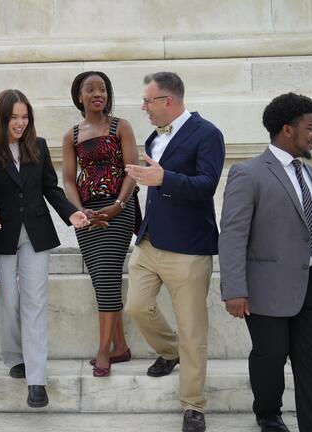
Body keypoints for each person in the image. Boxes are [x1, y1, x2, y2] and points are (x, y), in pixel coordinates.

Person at [219, 92, 312, 432]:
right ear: (287, 129)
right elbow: (232, 235)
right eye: (310, 127)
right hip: (265, 291)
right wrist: (234, 290)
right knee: (269, 359)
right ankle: (268, 414)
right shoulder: (248, 173)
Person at [124, 71, 224, 432]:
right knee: (136, 305)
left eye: (148, 101)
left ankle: (193, 405)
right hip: (150, 242)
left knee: (193, 329)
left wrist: (164, 178)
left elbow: (207, 185)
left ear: (168, 101)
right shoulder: (155, 138)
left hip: (189, 248)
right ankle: (170, 351)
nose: (143, 107)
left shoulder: (208, 134)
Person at [0, 89, 89, 407]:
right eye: (14, 117)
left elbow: (50, 188)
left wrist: (72, 212)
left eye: (25, 117)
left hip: (36, 234)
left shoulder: (38, 146)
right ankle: (15, 356)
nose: (20, 123)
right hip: (2, 235)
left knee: (35, 302)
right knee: (8, 301)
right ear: (2, 117)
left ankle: (36, 380)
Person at [62, 71, 140, 377]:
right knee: (102, 280)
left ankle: (103, 351)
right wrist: (80, 211)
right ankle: (120, 345)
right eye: (91, 89)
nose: (98, 94)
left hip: (119, 209)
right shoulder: (72, 135)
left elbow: (133, 170)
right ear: (79, 96)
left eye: (103, 89)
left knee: (107, 276)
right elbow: (68, 179)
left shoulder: (121, 126)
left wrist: (117, 205)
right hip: (87, 214)